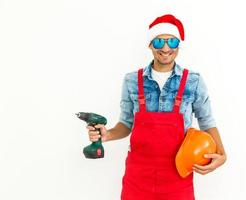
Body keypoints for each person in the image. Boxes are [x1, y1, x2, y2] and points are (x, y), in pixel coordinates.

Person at [86, 14, 226, 200]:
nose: (166, 48)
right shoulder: (132, 81)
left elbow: (207, 122)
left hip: (178, 179)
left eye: (172, 42)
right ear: (150, 44)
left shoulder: (193, 81)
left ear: (178, 45)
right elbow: (126, 123)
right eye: (159, 42)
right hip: (137, 179)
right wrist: (108, 134)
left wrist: (222, 154)